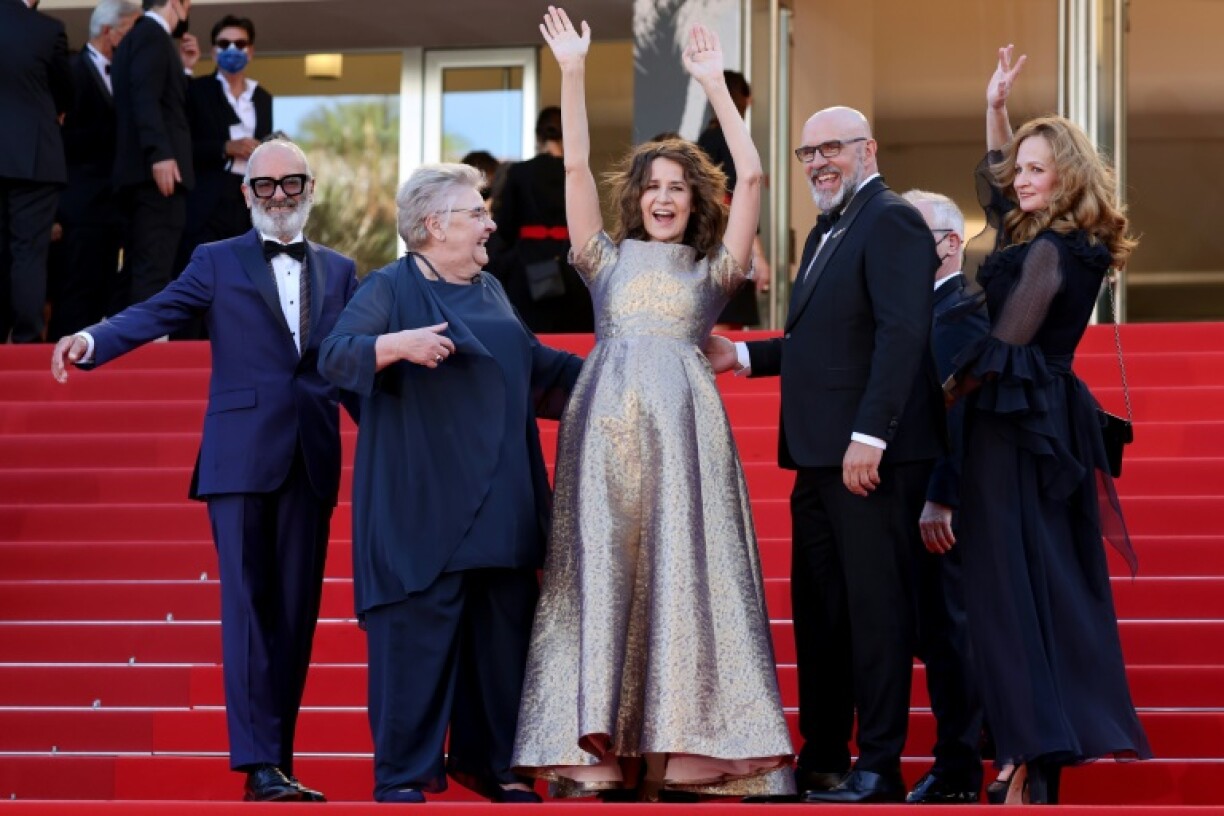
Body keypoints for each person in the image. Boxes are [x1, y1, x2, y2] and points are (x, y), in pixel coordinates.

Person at [512, 8, 794, 801]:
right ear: (634, 199)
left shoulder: (714, 271)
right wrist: (572, 71)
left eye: (678, 188)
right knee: (599, 573)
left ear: (694, 201)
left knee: (684, 575)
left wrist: (713, 88)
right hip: (602, 429)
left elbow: (754, 179)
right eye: (653, 188)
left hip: (685, 432)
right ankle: (595, 752)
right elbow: (575, 171)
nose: (664, 198)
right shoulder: (601, 260)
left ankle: (689, 751)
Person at [51, 138, 357, 804]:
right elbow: (156, 311)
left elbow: (351, 367)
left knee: (296, 619)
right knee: (247, 610)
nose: (279, 195)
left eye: (292, 182)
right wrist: (93, 338)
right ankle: (257, 763)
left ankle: (278, 764)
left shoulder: (341, 271)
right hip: (240, 457)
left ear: (310, 188)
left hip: (311, 457)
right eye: (265, 184)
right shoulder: (216, 260)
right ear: (247, 194)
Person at [317, 163, 582, 805]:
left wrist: (625, 366)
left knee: (502, 642)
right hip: (423, 506)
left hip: (503, 499)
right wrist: (396, 345)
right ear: (435, 225)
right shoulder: (391, 286)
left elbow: (537, 367)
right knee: (415, 643)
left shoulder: (491, 289)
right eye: (477, 213)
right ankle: (403, 774)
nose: (491, 223)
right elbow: (334, 355)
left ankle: (499, 767)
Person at [707, 106, 946, 804]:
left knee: (875, 615)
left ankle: (879, 767)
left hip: (869, 460)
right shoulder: (827, 228)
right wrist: (743, 355)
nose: (818, 162)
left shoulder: (892, 219)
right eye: (807, 152)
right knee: (821, 615)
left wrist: (870, 436)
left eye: (831, 148)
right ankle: (824, 757)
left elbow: (903, 334)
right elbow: (825, 341)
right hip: (817, 459)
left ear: (867, 149)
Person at [942, 45, 1152, 805]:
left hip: (1018, 427)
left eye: (1037, 169)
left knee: (1011, 593)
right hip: (1039, 423)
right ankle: (1031, 753)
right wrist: (996, 107)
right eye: (1021, 168)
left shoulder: (1054, 254)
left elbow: (1006, 346)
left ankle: (1027, 752)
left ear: (1067, 177)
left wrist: (940, 393)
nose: (1021, 179)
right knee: (1031, 589)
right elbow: (999, 189)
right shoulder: (1049, 238)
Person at [900, 189, 991, 804]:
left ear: (951, 243)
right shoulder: (920, 311)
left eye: (911, 237)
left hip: (946, 508)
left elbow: (959, 413)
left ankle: (959, 769)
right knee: (936, 634)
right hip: (915, 500)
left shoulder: (960, 313)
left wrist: (941, 496)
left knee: (950, 636)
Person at [46, 0, 141, 341]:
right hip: (78, 207)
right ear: (108, 31)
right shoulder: (70, 70)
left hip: (113, 208)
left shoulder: (126, 74)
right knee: (75, 294)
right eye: (131, 31)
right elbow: (57, 141)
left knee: (104, 293)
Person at [111, 0, 198, 309]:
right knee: (154, 269)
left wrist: (184, 70)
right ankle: (146, 340)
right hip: (157, 179)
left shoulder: (136, 38)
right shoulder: (152, 35)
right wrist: (159, 153)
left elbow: (158, 98)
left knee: (137, 269)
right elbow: (144, 96)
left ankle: (126, 335)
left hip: (138, 177)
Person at [0, 0, 72, 343]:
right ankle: (26, 341)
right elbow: (65, 91)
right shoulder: (46, 30)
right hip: (33, 159)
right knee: (28, 252)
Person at [178, 15, 272, 274]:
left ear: (250, 51)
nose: (232, 50)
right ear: (214, 51)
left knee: (243, 277)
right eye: (224, 44)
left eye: (240, 44)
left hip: (248, 202)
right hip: (207, 202)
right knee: (204, 275)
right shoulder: (197, 90)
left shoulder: (262, 97)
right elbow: (182, 147)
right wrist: (225, 147)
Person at [490, 105, 595, 333]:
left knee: (528, 336)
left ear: (538, 137)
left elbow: (505, 227)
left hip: (526, 268)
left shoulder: (520, 172)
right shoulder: (578, 175)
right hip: (570, 266)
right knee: (571, 340)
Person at [695, 70, 771, 329]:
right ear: (743, 98)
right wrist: (758, 256)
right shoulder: (728, 140)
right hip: (726, 247)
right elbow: (736, 198)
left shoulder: (706, 138)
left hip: (709, 246)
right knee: (724, 333)